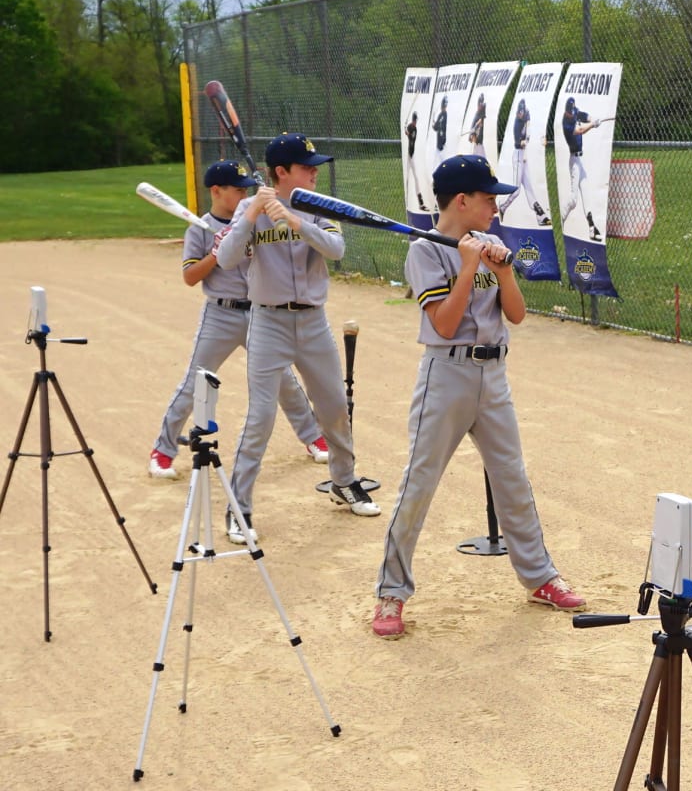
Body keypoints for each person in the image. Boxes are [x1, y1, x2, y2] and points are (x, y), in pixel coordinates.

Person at [369, 155, 585, 639]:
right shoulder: (425, 251)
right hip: (446, 375)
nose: (495, 205)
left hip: (494, 374)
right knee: (418, 484)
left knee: (512, 478)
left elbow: (517, 315)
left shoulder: (491, 240)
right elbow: (443, 323)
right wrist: (467, 267)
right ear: (461, 200)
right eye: (488, 198)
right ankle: (391, 592)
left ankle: (540, 577)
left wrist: (504, 271)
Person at [215, 132, 380, 543]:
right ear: (282, 172)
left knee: (334, 407)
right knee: (261, 418)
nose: (314, 174)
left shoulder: (318, 207)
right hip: (268, 323)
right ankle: (240, 508)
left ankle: (343, 480)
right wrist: (253, 213)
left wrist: (296, 222)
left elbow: (338, 249)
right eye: (307, 168)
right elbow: (225, 258)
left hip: (313, 323)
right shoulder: (248, 207)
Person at [147, 160, 329, 485]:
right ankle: (162, 450)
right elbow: (190, 276)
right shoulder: (198, 228)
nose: (244, 194)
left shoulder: (253, 219)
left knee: (284, 380)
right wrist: (215, 255)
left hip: (261, 314)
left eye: (247, 189)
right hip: (221, 314)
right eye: (237, 189)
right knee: (196, 381)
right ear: (216, 191)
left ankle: (314, 437)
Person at [498, 99, 550, 225]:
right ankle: (502, 207)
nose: (520, 114)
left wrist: (529, 136)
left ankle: (541, 217)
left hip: (524, 156)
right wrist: (522, 142)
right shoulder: (517, 123)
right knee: (516, 190)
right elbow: (518, 143)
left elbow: (529, 125)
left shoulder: (527, 114)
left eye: (521, 112)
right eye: (519, 113)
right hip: (517, 156)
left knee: (529, 187)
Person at [560, 96, 602, 241]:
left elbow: (583, 115)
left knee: (586, 192)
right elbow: (581, 130)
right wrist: (592, 125)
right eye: (570, 112)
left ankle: (592, 227)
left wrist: (592, 118)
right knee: (573, 199)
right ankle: (560, 220)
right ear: (566, 112)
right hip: (574, 161)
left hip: (580, 160)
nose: (572, 114)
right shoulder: (566, 124)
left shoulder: (574, 112)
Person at [405, 112, 426, 210]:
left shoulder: (414, 129)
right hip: (409, 155)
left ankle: (420, 202)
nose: (416, 122)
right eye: (415, 120)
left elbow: (412, 138)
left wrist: (407, 132)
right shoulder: (410, 127)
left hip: (411, 154)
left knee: (415, 177)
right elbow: (409, 136)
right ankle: (408, 200)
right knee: (408, 177)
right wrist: (406, 130)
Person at [468, 93, 487, 159]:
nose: (480, 106)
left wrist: (480, 122)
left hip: (480, 144)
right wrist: (476, 126)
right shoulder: (477, 115)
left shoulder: (482, 111)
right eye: (479, 104)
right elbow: (472, 134)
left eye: (481, 104)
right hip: (477, 145)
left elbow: (482, 118)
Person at [433, 96, 449, 161]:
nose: (444, 108)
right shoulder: (444, 114)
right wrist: (435, 123)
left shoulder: (442, 115)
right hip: (441, 142)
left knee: (441, 160)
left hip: (441, 143)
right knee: (439, 160)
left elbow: (435, 127)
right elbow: (436, 127)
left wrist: (434, 124)